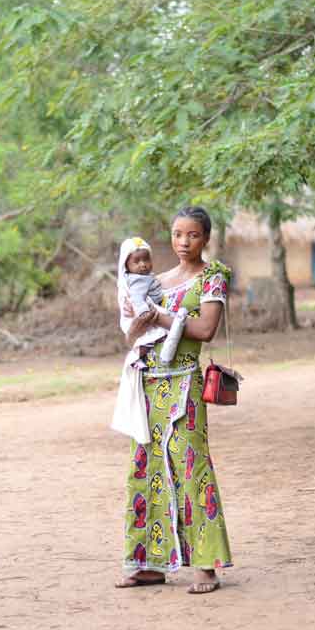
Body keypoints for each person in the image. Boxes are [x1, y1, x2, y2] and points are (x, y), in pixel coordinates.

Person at [115, 206, 233, 595]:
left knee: (191, 467)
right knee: (145, 469)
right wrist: (136, 319)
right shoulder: (157, 281)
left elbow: (204, 329)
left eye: (193, 235)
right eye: (178, 234)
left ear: (206, 238)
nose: (184, 242)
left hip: (184, 383)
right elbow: (133, 333)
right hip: (148, 385)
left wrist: (161, 317)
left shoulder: (211, 277)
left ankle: (206, 565)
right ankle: (150, 563)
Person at [111, 237, 187, 444]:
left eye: (146, 260)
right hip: (146, 315)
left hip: (151, 318)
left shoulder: (151, 277)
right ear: (126, 264)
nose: (143, 264)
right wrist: (145, 313)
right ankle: (149, 352)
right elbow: (137, 301)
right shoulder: (135, 280)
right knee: (168, 326)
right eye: (137, 261)